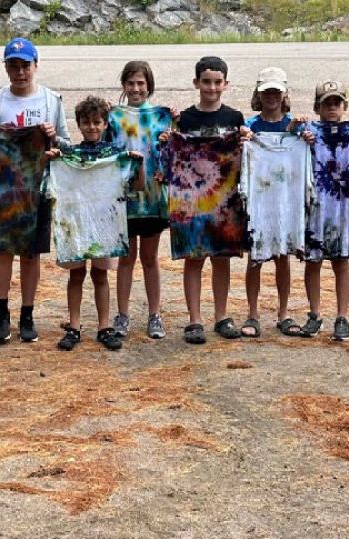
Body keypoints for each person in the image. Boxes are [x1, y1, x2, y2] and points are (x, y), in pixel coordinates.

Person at [0, 37, 70, 344]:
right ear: (6, 67)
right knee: (3, 250)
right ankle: (1, 312)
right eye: (13, 66)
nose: (20, 72)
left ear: (36, 65)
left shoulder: (51, 100)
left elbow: (66, 145)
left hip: (38, 187)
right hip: (5, 188)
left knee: (31, 254)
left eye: (25, 66)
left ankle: (27, 314)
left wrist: (53, 138)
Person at [48, 96, 144, 351]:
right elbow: (50, 183)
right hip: (75, 223)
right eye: (86, 122)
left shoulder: (115, 155)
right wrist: (52, 160)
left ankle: (104, 326)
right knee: (76, 274)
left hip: (104, 224)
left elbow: (139, 186)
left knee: (100, 275)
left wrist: (138, 163)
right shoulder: (69, 154)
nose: (91, 127)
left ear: (105, 124)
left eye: (96, 122)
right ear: (78, 124)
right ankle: (74, 326)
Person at [170, 55, 250, 344]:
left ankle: (221, 316)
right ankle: (194, 320)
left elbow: (245, 157)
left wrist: (246, 140)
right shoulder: (184, 119)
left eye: (217, 82)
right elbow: (172, 155)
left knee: (221, 259)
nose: (212, 87)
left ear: (226, 84)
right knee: (194, 259)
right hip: (191, 201)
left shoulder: (235, 118)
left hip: (224, 201)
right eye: (206, 82)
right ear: (196, 83)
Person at [297, 80, 349, 341]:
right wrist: (296, 132)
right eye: (327, 103)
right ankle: (314, 314)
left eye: (337, 102)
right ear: (317, 106)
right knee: (313, 262)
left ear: (344, 105)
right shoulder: (308, 131)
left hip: (344, 206)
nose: (332, 107)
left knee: (341, 262)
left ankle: (342, 316)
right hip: (315, 207)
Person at [106, 61, 172, 341]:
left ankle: (154, 314)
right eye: (131, 83)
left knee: (149, 258)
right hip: (124, 199)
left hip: (153, 198)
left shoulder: (162, 117)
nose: (136, 88)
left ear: (149, 86)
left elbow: (172, 153)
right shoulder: (113, 117)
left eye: (141, 83)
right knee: (125, 259)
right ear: (123, 85)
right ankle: (122, 314)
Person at [243, 67, 300, 337]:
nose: (272, 97)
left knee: (282, 257)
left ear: (285, 94)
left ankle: (284, 312)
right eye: (267, 92)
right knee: (255, 258)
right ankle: (252, 314)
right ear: (258, 94)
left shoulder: (295, 127)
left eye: (276, 91)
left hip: (284, 199)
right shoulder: (250, 127)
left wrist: (304, 137)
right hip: (259, 199)